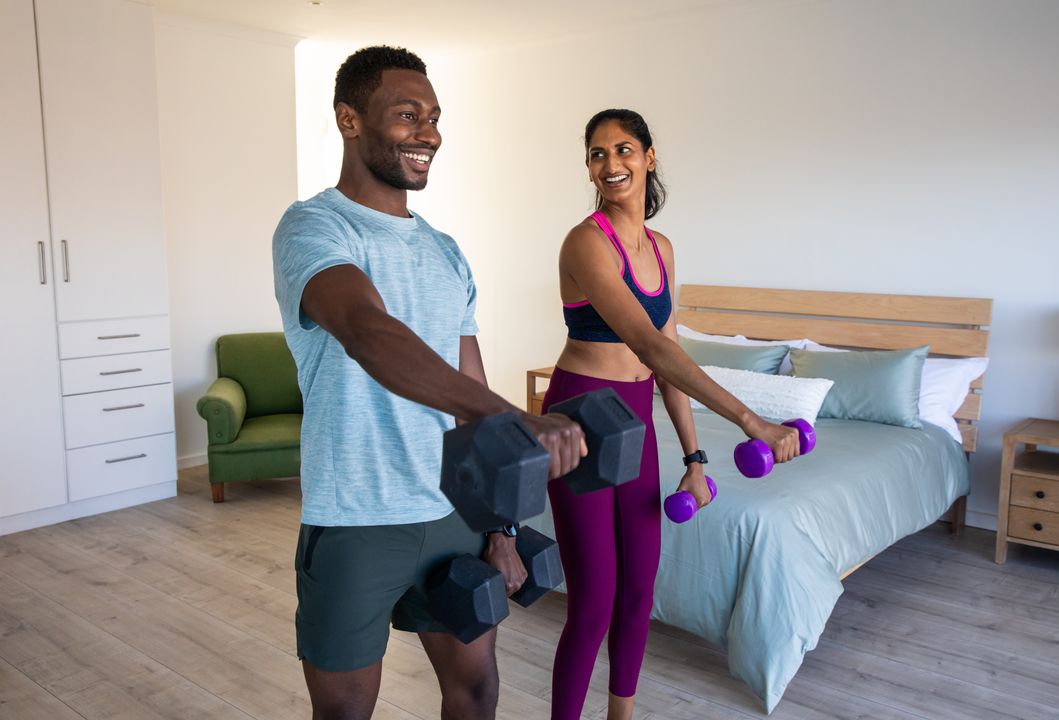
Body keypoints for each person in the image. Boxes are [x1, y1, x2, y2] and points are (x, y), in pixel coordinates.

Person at [272, 46, 585, 720]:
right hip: (358, 514)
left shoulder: (446, 251)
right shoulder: (314, 227)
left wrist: (500, 523)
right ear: (349, 120)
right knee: (345, 713)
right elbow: (367, 332)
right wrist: (521, 416)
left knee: (476, 691)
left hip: (454, 514)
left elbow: (469, 389)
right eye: (408, 115)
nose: (430, 134)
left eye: (435, 118)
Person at [543, 108, 800, 720]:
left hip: (634, 418)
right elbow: (648, 343)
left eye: (625, 149)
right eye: (598, 153)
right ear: (588, 167)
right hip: (580, 418)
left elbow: (669, 353)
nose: (612, 164)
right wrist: (752, 421)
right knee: (595, 599)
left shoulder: (662, 248)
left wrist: (694, 456)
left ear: (649, 157)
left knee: (638, 591)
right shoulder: (585, 241)